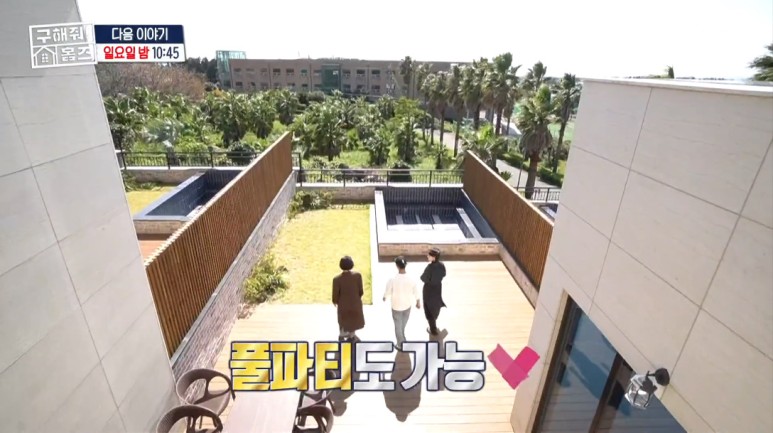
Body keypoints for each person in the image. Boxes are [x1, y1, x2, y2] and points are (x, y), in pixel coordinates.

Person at [383, 256, 421, 351]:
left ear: (397, 266)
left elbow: (388, 291)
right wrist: (418, 301)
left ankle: (400, 344)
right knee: (402, 324)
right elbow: (416, 291)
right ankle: (402, 338)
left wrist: (385, 297)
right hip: (407, 306)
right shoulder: (411, 279)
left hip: (396, 306)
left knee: (398, 326)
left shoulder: (392, 279)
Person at [332, 256, 365, 341]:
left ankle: (342, 335)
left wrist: (335, 301)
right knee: (353, 321)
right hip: (355, 303)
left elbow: (335, 294)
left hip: (343, 305)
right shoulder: (357, 276)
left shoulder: (337, 279)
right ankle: (351, 336)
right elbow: (361, 291)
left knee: (343, 320)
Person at [420, 247, 447, 336]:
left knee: (428, 309)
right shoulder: (442, 265)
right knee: (435, 305)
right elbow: (444, 274)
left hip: (428, 290)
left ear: (433, 257)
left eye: (429, 255)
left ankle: (433, 329)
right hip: (437, 288)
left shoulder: (429, 268)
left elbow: (423, 278)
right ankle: (434, 322)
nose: (427, 256)